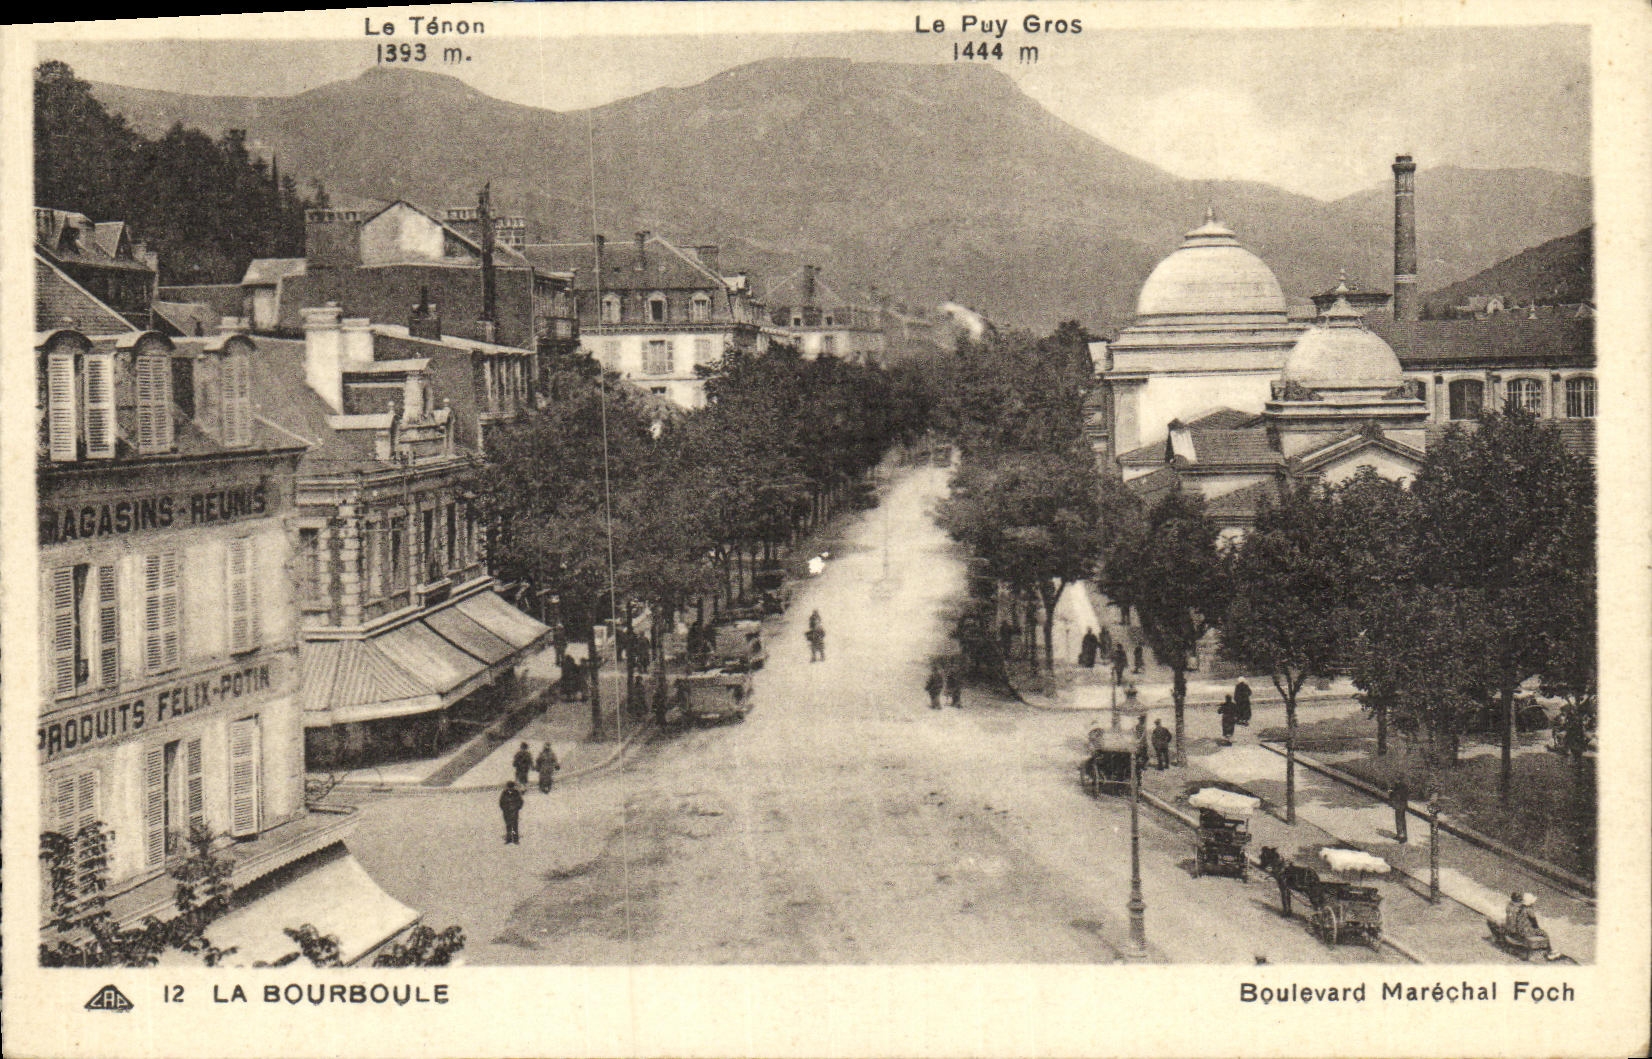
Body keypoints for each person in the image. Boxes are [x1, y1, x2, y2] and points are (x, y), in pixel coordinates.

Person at [1389, 777, 1410, 843]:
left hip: (1401, 804)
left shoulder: (1402, 786)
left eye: (1396, 780)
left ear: (1398, 779)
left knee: (1401, 820)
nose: (1395, 781)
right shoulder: (1398, 786)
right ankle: (1399, 835)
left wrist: (1392, 792)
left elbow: (1399, 795)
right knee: (1398, 820)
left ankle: (1403, 837)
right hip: (1399, 805)